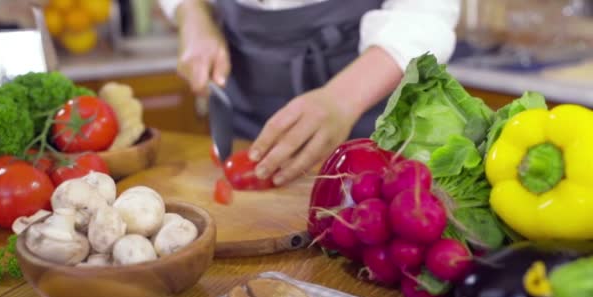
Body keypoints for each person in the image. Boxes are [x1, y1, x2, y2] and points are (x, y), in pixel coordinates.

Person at [159, 0, 460, 186]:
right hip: (244, 117)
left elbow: (424, 12)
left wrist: (342, 99)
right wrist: (194, 16)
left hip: (374, 123)